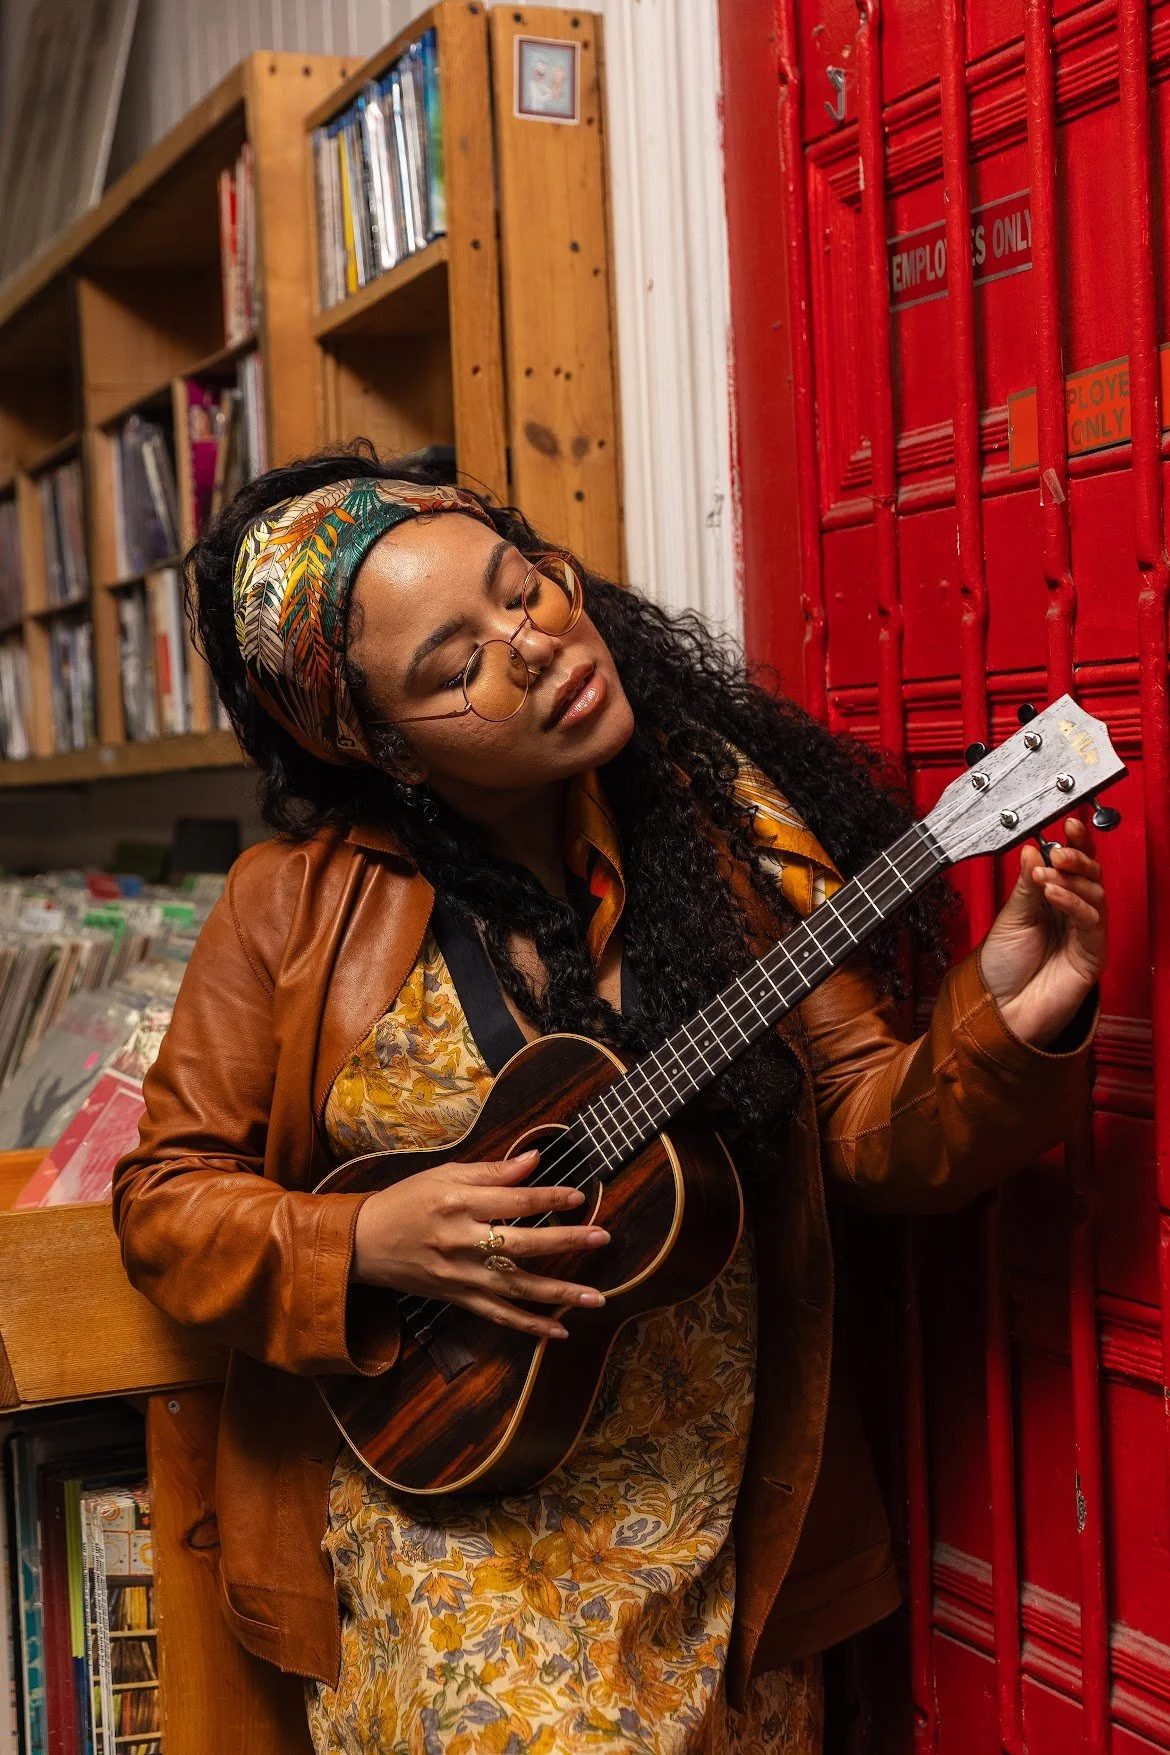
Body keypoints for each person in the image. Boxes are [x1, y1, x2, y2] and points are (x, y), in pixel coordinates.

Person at [113, 449, 1106, 1755]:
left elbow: (872, 1129)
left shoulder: (722, 828)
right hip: (442, 1532)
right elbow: (166, 1204)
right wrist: (366, 1239)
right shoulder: (288, 911)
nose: (533, 643)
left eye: (520, 584)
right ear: (383, 747)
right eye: (455, 664)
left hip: (715, 1535)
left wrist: (1009, 1019)